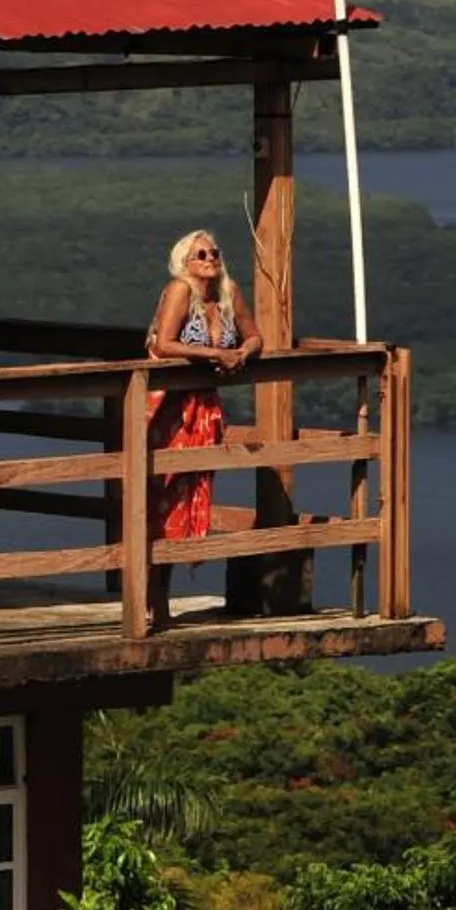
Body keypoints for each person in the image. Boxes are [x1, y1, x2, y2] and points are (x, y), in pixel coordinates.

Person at [141, 227, 263, 627]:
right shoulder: (180, 290)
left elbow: (255, 334)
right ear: (184, 262)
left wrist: (243, 352)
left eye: (214, 252)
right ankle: (151, 601)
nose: (210, 259)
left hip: (204, 406)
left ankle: (162, 599)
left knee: (192, 493)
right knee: (162, 497)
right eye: (200, 255)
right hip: (170, 405)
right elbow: (164, 343)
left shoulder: (228, 291)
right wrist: (213, 353)